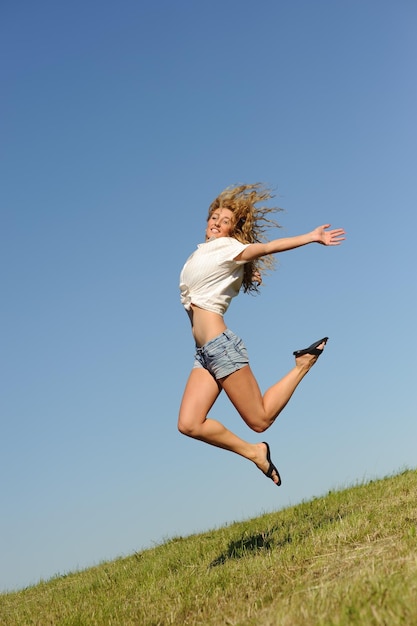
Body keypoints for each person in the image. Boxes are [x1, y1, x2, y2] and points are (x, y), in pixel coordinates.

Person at [178, 183, 345, 486]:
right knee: (189, 424)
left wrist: (311, 237)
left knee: (260, 419)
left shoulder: (229, 248)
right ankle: (256, 454)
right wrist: (246, 272)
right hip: (204, 354)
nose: (216, 222)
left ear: (232, 230)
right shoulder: (201, 255)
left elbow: (267, 247)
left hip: (221, 348)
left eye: (225, 220)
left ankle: (302, 365)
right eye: (213, 216)